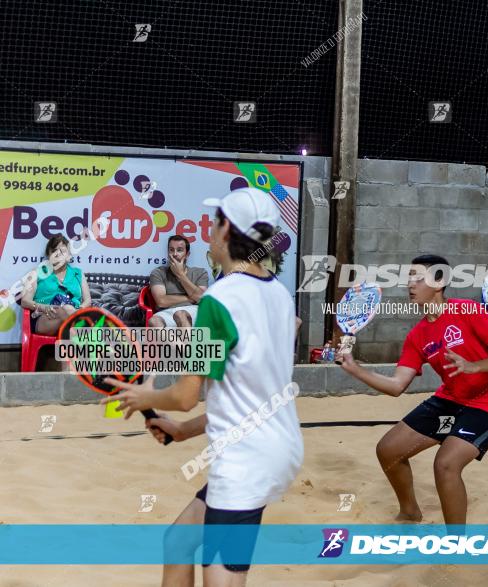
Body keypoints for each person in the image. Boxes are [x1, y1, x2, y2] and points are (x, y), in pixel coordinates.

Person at [105, 187, 302, 585]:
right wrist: (181, 430)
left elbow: (183, 395)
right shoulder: (280, 296)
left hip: (246, 460)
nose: (208, 232)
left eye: (214, 222)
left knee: (223, 578)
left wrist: (146, 395)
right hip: (275, 446)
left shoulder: (219, 300)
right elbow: (248, 397)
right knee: (178, 541)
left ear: (227, 228)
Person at [340, 254, 488, 526]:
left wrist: (475, 366)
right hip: (452, 399)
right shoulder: (417, 336)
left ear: (439, 282)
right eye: (409, 277)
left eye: (417, 277)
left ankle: (455, 545)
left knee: (445, 464)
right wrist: (356, 370)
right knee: (389, 450)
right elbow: (397, 386)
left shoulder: (467, 310)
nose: (410, 284)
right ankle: (410, 512)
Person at [21, 234, 91, 335]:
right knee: (68, 311)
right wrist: (44, 307)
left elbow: (88, 300)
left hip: (73, 316)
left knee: (69, 311)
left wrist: (78, 309)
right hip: (46, 317)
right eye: (54, 251)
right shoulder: (37, 273)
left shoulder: (78, 273)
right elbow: (25, 301)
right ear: (49, 255)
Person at [148, 235, 209, 328]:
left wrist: (180, 274)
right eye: (171, 250)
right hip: (167, 312)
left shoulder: (200, 272)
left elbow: (201, 298)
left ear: (187, 254)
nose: (175, 254)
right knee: (154, 321)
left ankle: (183, 343)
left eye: (179, 250)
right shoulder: (158, 272)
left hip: (191, 311)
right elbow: (161, 301)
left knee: (180, 314)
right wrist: (191, 298)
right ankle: (179, 344)